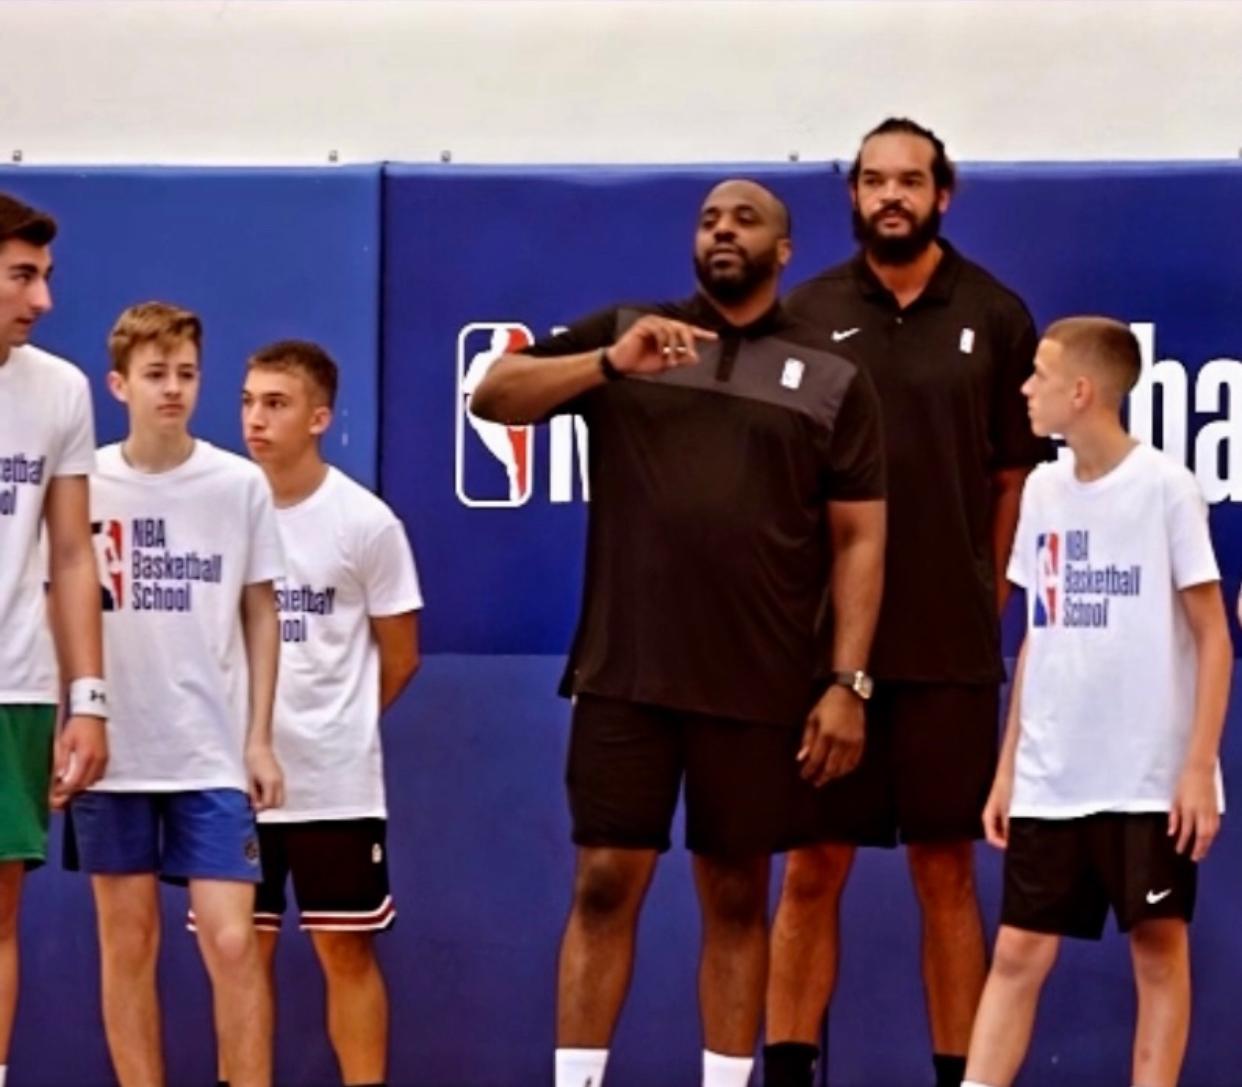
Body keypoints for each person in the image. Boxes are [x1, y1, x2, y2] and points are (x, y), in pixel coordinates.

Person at [470, 178, 887, 1087]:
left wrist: (846, 681)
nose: (722, 231)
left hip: (760, 683)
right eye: (708, 220)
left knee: (736, 896)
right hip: (627, 671)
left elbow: (860, 540)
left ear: (784, 250)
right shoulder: (631, 332)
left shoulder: (831, 376)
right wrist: (608, 365)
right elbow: (493, 396)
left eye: (746, 219)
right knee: (603, 883)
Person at [765, 118, 1052, 1087]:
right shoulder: (804, 314)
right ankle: (789, 1074)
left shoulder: (996, 315)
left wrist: (985, 591)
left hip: (947, 651)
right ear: (853, 194)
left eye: (911, 180)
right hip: (825, 655)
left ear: (943, 195)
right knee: (812, 867)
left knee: (945, 872)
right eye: (875, 180)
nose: (892, 195)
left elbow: (1015, 479)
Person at [963, 317, 1232, 1087]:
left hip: (1148, 778)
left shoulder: (1167, 488)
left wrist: (1197, 767)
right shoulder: (1043, 491)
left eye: (1040, 376)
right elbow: (1040, 635)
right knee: (1018, 949)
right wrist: (1010, 769)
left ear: (1081, 391)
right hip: (1054, 774)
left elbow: (1213, 636)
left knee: (1157, 948)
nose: (1026, 389)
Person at [66, 302, 285, 1087]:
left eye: (186, 373)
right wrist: (71, 714)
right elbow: (55, 599)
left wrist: (258, 736)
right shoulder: (84, 482)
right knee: (128, 942)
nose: (173, 389)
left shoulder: (237, 484)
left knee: (231, 939)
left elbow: (263, 608)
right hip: (114, 751)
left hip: (209, 749)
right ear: (118, 384)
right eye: (155, 374)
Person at [222, 339, 421, 1087]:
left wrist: (339, 728)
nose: (255, 419)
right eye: (248, 401)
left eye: (275, 403)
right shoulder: (221, 508)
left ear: (319, 418)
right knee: (239, 951)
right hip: (231, 781)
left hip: (334, 784)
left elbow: (401, 655)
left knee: (345, 949)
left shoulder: (366, 522)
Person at [0, 192, 108, 1087]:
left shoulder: (60, 388)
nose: (42, 299)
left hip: (16, 688)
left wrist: (88, 698)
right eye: (20, 276)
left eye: (44, 276)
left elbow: (73, 554)